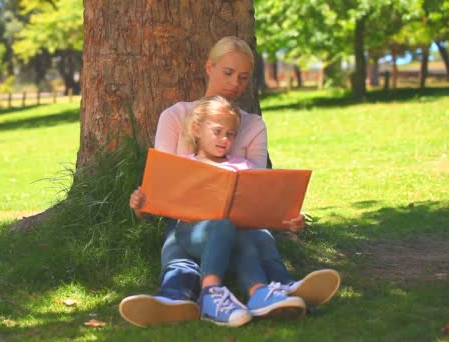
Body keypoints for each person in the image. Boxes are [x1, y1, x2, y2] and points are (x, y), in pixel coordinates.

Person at [119, 36, 340, 328]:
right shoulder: (177, 116)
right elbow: (161, 188)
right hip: (187, 221)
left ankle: (274, 288)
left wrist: (284, 218)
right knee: (181, 238)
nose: (235, 82)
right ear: (209, 67)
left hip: (242, 223)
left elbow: (257, 191)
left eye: (244, 77)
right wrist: (143, 205)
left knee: (251, 233)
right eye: (228, 73)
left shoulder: (252, 125)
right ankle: (180, 294)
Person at [129, 95, 310, 327]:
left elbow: (262, 207)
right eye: (217, 131)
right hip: (190, 232)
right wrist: (139, 206)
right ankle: (210, 293)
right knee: (225, 226)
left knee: (240, 232)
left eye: (230, 134)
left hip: (235, 233)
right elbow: (151, 208)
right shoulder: (182, 166)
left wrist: (289, 221)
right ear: (196, 129)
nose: (224, 139)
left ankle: (259, 293)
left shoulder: (243, 166)